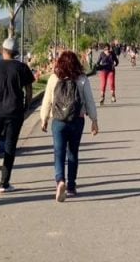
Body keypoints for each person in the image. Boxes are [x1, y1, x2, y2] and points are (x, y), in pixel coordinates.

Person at [40, 50, 98, 202]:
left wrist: (44, 118)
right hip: (77, 120)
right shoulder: (82, 78)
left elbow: (47, 100)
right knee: (73, 153)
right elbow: (89, 100)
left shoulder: (54, 78)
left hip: (58, 121)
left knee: (58, 152)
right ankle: (71, 187)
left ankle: (60, 181)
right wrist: (94, 120)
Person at [0, 37, 35, 193]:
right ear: (16, 53)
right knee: (10, 146)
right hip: (15, 112)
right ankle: (4, 183)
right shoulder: (22, 67)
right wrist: (27, 107)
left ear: (2, 50)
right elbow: (29, 91)